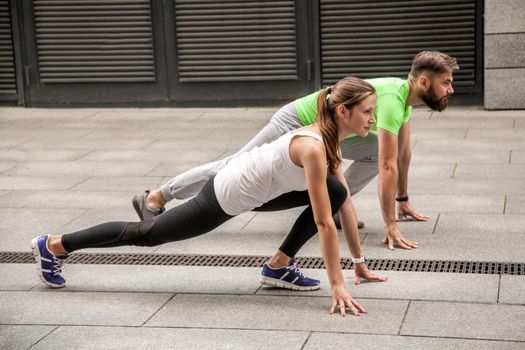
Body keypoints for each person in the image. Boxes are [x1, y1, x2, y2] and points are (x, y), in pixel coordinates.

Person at [31, 77, 386, 317]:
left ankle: (278, 267)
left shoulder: (330, 137)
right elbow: (325, 222)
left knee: (336, 189)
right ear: (344, 111)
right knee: (148, 235)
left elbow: (342, 202)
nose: (373, 118)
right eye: (368, 111)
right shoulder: (313, 147)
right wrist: (337, 285)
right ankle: (56, 245)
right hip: (227, 193)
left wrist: (359, 263)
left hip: (261, 189)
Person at [133, 50, 459, 250]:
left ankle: (335, 203)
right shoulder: (391, 101)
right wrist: (390, 225)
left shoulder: (406, 103)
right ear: (424, 83)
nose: (451, 89)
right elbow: (390, 165)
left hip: (326, 127)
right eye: (446, 82)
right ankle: (157, 197)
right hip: (296, 119)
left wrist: (401, 201)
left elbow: (401, 156)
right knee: (232, 165)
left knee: (374, 153)